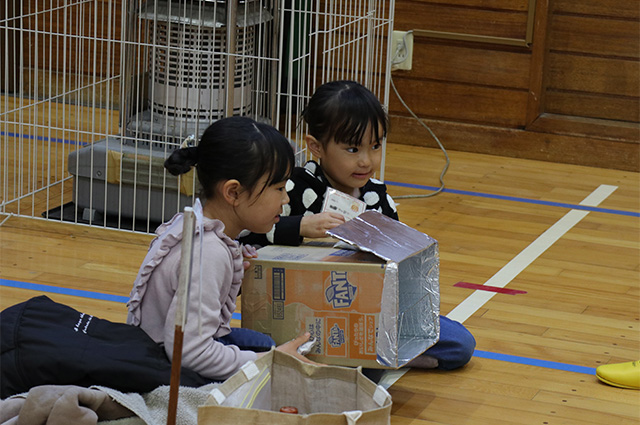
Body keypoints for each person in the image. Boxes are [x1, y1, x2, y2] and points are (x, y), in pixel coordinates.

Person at [240, 80, 476, 371]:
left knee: (460, 344)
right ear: (316, 146)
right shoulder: (294, 188)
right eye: (352, 149)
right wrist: (300, 226)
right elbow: (251, 238)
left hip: (369, 317)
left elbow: (400, 260)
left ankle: (369, 356)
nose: (367, 160)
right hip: (302, 318)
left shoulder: (377, 195)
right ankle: (357, 358)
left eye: (375, 146)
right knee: (252, 342)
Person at [126, 116, 314, 382]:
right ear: (233, 193)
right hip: (164, 366)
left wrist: (234, 273)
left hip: (162, 347)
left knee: (260, 340)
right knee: (272, 354)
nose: (285, 199)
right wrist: (269, 362)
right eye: (279, 188)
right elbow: (190, 353)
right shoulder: (208, 253)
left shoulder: (197, 223)